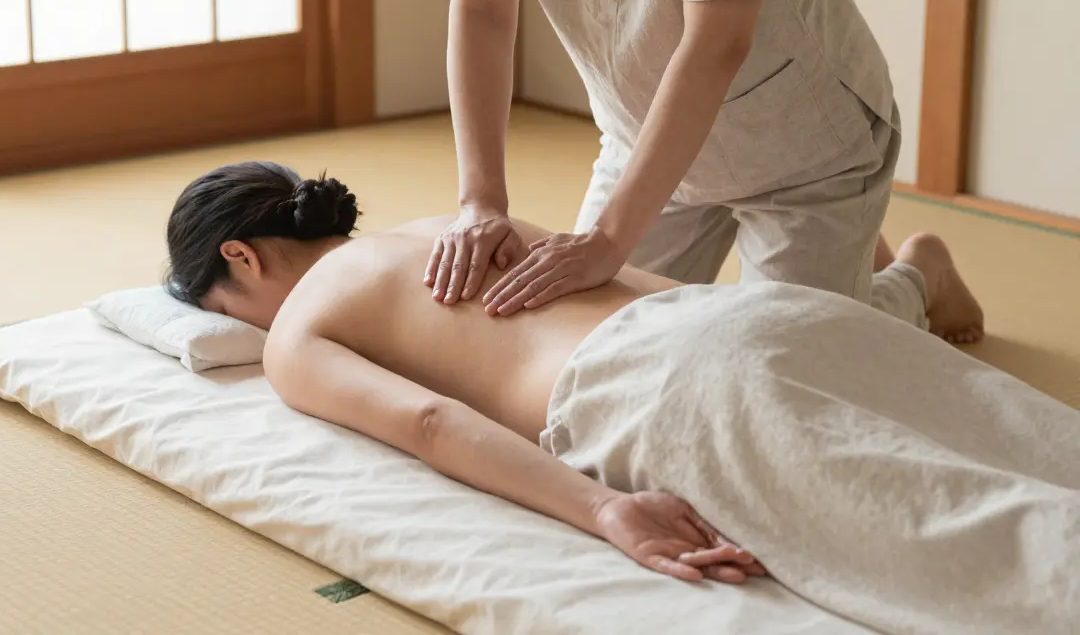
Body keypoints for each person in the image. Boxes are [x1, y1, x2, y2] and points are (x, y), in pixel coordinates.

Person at [164, 163, 1078, 633]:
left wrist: (607, 510)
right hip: (755, 318)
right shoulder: (452, 224)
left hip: (664, 388)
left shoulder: (294, 336)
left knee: (950, 537)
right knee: (1025, 439)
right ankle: (917, 281)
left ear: (240, 259)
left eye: (222, 306)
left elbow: (432, 422)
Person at [427, 0, 986, 345]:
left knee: (785, 371)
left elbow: (716, 44)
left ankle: (917, 276)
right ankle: (850, 248)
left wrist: (609, 241)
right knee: (592, 347)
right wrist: (481, 200)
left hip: (802, 149)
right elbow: (484, 10)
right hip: (644, 140)